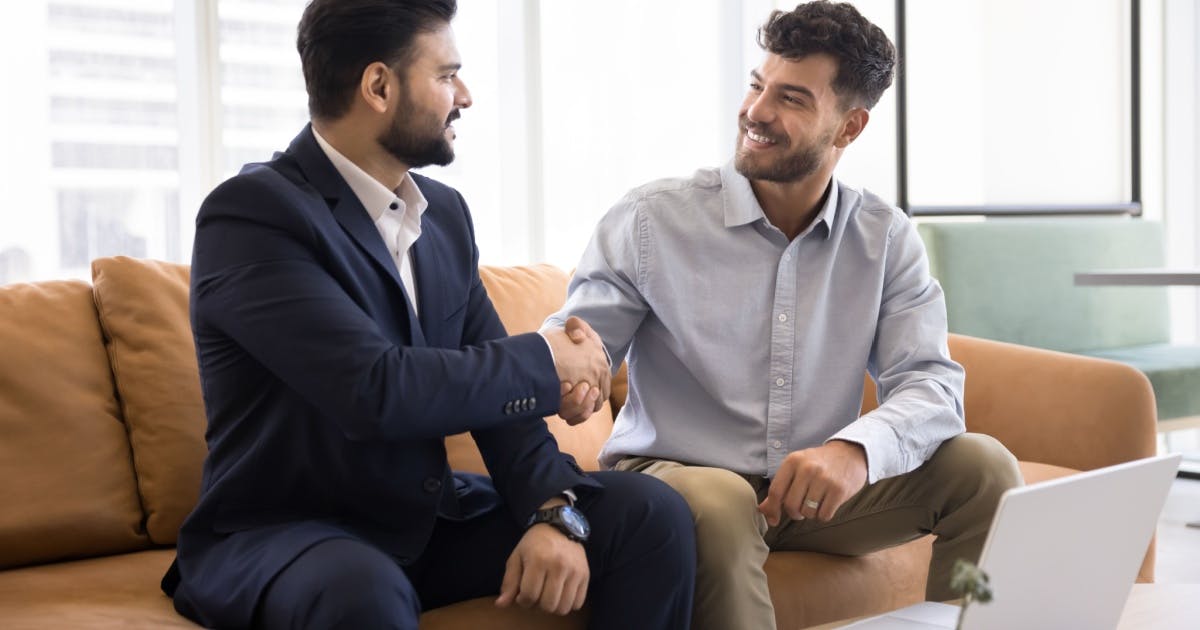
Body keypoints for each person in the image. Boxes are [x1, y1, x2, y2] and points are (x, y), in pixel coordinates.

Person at [161, 1, 695, 628]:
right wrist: (547, 360)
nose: (463, 95)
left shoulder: (442, 215)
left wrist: (554, 510)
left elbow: (499, 410)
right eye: (446, 75)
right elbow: (375, 390)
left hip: (424, 522)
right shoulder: (253, 216)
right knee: (359, 590)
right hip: (287, 532)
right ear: (379, 86)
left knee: (649, 516)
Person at [545, 2, 1023, 629]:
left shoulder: (884, 238)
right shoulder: (650, 220)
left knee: (984, 468)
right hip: (678, 479)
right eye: (756, 84)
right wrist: (569, 373)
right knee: (720, 500)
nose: (756, 111)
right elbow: (578, 343)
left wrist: (855, 451)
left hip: (806, 499)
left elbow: (932, 386)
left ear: (849, 128)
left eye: (792, 98)